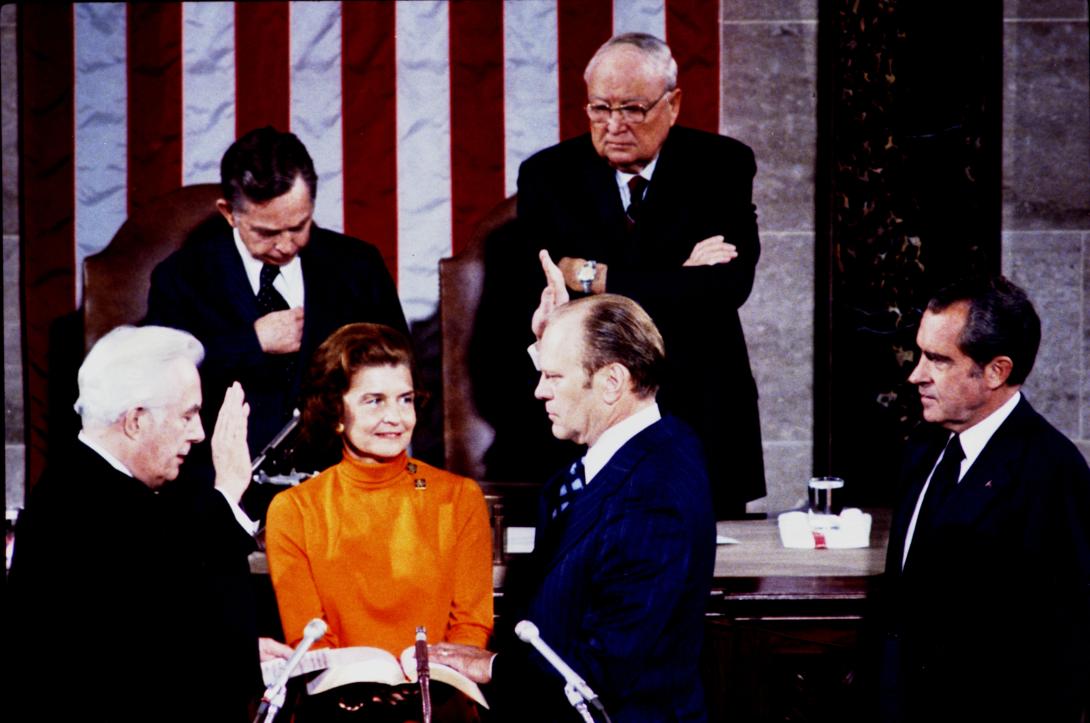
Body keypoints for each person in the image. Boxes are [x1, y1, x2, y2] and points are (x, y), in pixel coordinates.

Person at [434, 265, 716, 722]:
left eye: (554, 377)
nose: (539, 391)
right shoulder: (659, 440)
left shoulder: (652, 498)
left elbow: (598, 675)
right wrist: (552, 338)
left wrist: (490, 666)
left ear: (611, 382)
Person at [508, 31, 764, 519]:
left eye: (632, 109)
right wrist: (679, 277)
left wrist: (598, 280)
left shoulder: (723, 165)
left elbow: (727, 287)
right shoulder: (547, 176)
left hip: (702, 407)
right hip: (588, 411)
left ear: (673, 104)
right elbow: (542, 289)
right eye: (599, 109)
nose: (614, 125)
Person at [8, 325, 292, 723]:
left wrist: (242, 648)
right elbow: (147, 667)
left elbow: (161, 623)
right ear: (136, 421)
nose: (199, 434)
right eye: (189, 415)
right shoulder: (85, 503)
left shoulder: (92, 482)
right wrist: (227, 490)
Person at [146, 126, 408, 497]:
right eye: (267, 232)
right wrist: (252, 342)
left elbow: (399, 369)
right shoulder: (181, 277)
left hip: (341, 488)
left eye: (298, 226)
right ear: (229, 213)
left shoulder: (358, 266)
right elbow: (160, 383)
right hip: (219, 492)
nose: (286, 245)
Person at [880, 276, 1090, 722]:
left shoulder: (1051, 471)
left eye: (938, 360)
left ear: (997, 370)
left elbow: (1068, 643)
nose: (915, 374)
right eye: (920, 353)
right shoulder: (923, 446)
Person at [264, 323, 493, 715]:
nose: (396, 417)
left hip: (440, 708)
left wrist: (433, 681)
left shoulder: (459, 497)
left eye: (405, 399)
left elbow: (471, 626)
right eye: (374, 400)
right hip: (336, 710)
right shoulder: (294, 509)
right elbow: (310, 636)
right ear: (336, 410)